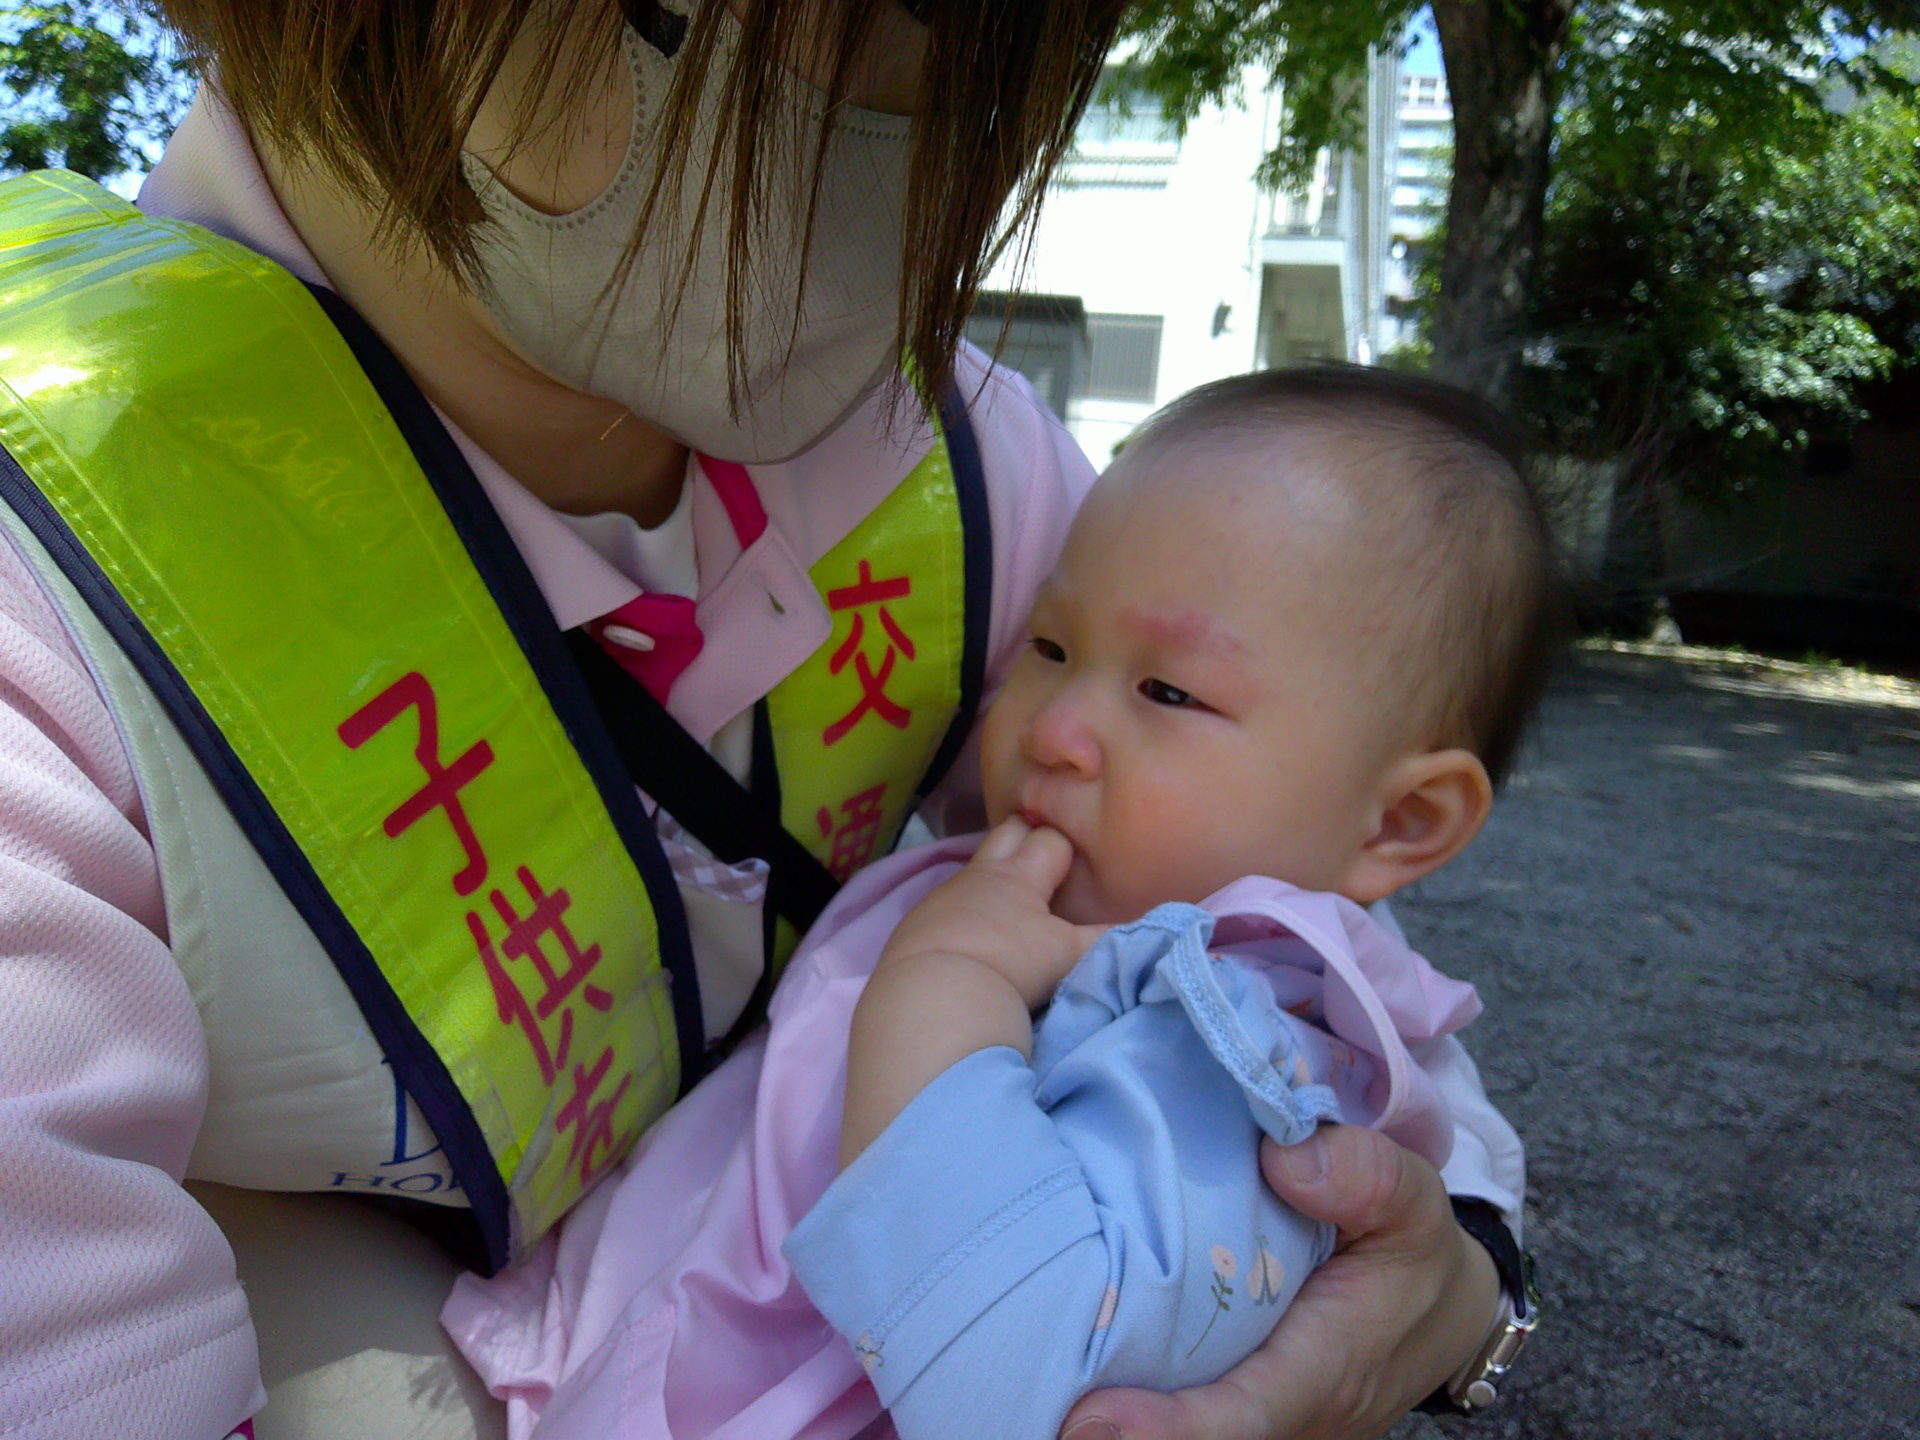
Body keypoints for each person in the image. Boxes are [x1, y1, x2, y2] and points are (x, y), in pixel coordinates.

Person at [0, 3, 1524, 1437]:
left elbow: (1287, 914)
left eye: (962, 30)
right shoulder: (54, 540)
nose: (870, 80)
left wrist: (1458, 1276)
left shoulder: (969, 465)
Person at [440, 366, 1554, 1440]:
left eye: (1170, 691)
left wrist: (948, 985)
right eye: (1051, 647)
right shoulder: (1067, 883)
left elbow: (1015, 1374)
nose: (1053, 728)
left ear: (1401, 823)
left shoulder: (1232, 1055)